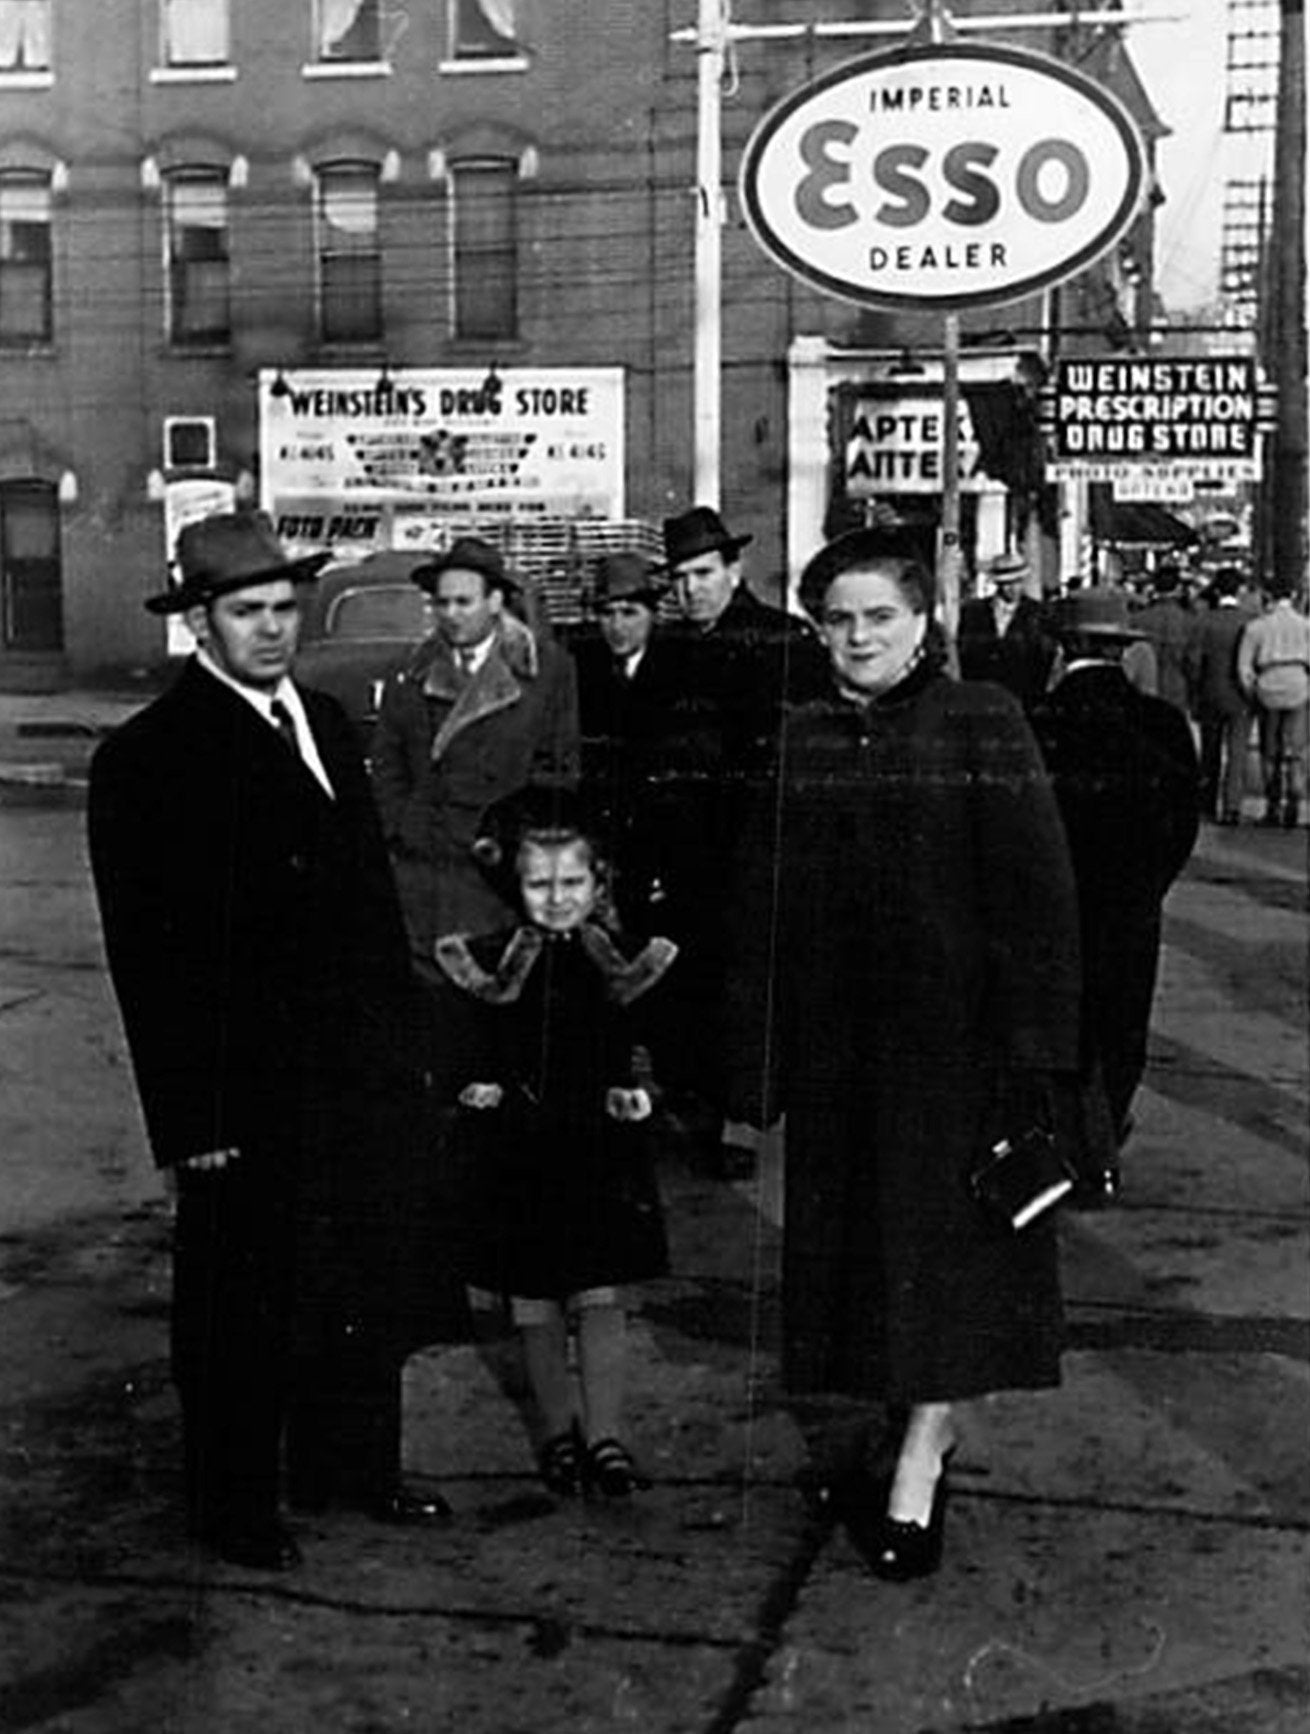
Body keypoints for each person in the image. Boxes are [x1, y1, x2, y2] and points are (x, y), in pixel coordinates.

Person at [87, 512, 461, 1572]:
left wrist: (407, 1047)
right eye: (245, 613)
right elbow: (148, 963)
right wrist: (190, 1118)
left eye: (284, 609)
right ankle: (232, 1504)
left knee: (359, 1277)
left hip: (356, 1071)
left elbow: (367, 901)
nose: (270, 631)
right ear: (198, 625)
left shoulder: (331, 724)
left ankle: (351, 1469)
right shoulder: (149, 758)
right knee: (241, 1299)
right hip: (242, 1090)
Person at [725, 525, 1083, 1582]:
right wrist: (758, 1056)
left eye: (879, 616)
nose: (856, 637)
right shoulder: (800, 734)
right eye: (836, 619)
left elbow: (1036, 897)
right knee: (863, 1267)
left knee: (944, 1266)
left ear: (925, 620)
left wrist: (1034, 1060)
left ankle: (920, 1463)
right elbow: (764, 905)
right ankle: (903, 1430)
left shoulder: (981, 719)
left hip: (956, 1061)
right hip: (841, 1060)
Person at [433, 807, 680, 1500]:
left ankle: (605, 1437)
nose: (558, 897)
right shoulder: (488, 963)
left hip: (600, 1150)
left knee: (601, 1294)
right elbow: (463, 1041)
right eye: (540, 884)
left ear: (599, 882)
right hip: (520, 1151)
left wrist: (642, 1089)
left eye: (573, 881)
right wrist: (471, 1083)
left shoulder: (623, 960)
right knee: (534, 1301)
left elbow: (649, 1042)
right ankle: (557, 1433)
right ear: (515, 886)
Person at [660, 505, 828, 1176]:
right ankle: (701, 1109)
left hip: (759, 848)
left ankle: (743, 1120)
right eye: (678, 577)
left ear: (735, 570)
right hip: (684, 853)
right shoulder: (672, 651)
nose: (690, 589)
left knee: (750, 990)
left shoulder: (784, 642)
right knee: (692, 985)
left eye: (703, 573)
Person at [1029, 590, 1200, 1185]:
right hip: (1131, 904)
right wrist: (1151, 884)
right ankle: (1107, 1133)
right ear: (1121, 652)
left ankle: (1067, 1143)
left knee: (1057, 1026)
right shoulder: (1162, 723)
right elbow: (1185, 819)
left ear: (1064, 647)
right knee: (1123, 1023)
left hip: (1049, 906)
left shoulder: (1033, 720)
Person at [370, 536, 581, 964]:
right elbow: (388, 765)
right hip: (424, 869)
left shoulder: (547, 670)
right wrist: (403, 828)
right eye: (441, 603)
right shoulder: (409, 672)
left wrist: (515, 850)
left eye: (463, 602)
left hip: (497, 877)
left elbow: (559, 767)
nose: (450, 615)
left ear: (496, 601)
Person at [570, 550, 696, 928]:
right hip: (605, 843)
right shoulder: (585, 671)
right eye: (607, 614)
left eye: (629, 613)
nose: (617, 626)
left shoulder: (680, 672)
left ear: (653, 616)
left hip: (665, 844)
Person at [1185, 565, 1256, 824]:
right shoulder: (1250, 620)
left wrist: (1196, 688)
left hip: (1210, 692)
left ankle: (1207, 803)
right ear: (1239, 590)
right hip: (1241, 696)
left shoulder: (1203, 621)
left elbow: (1192, 661)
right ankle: (1232, 806)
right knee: (1238, 752)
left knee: (1210, 752)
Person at [1235, 588, 1310, 828]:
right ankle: (1295, 799)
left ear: (1267, 599)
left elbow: (1244, 667)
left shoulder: (1256, 627)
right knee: (1296, 750)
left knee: (1269, 750)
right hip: (1298, 685)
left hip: (1268, 687)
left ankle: (1273, 804)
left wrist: (1252, 692)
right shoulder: (1305, 625)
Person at [955, 549, 1057, 707]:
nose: (1013, 588)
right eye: (1007, 583)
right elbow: (964, 653)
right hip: (981, 699)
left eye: (1018, 582)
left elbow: (1044, 658)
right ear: (997, 584)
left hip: (1022, 699)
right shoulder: (973, 612)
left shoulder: (1039, 614)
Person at [1132, 563, 1194, 713]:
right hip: (1177, 690)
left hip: (1143, 689)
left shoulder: (1137, 620)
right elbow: (1192, 662)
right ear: (1178, 588)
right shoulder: (1190, 621)